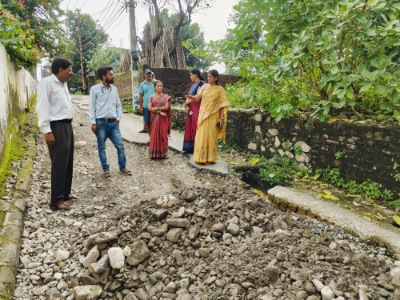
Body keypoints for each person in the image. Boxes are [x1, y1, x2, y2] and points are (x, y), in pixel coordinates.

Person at [36, 58, 75, 210]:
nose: (71, 73)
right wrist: (47, 131)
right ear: (60, 70)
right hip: (56, 127)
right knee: (59, 163)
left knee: (68, 161)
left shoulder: (63, 85)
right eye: (69, 70)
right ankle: (56, 200)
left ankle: (65, 192)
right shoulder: (47, 83)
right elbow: (42, 106)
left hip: (67, 125)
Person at [89, 66, 132, 177]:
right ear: (104, 77)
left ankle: (122, 167)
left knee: (120, 146)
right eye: (110, 74)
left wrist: (118, 117)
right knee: (102, 148)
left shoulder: (114, 89)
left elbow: (118, 105)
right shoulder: (95, 89)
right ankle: (106, 169)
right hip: (101, 123)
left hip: (113, 124)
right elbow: (92, 107)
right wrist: (93, 122)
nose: (113, 76)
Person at [185, 70, 230, 164]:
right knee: (201, 135)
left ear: (216, 78)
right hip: (203, 114)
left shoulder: (220, 89)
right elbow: (198, 98)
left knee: (211, 137)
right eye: (208, 76)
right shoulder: (204, 86)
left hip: (214, 115)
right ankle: (200, 157)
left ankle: (210, 158)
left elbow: (222, 105)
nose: (208, 78)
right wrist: (192, 98)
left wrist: (221, 118)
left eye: (211, 77)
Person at [182, 69, 205, 153]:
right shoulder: (193, 85)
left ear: (195, 75)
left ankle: (198, 149)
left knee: (196, 126)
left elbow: (197, 97)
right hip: (191, 109)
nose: (190, 77)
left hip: (197, 108)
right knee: (190, 126)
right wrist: (187, 105)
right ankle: (191, 148)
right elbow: (189, 96)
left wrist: (187, 102)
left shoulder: (202, 84)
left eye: (191, 75)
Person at [148, 81, 172, 159]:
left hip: (163, 119)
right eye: (158, 86)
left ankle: (164, 153)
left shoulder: (166, 97)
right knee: (154, 134)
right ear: (154, 87)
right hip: (154, 119)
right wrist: (159, 112)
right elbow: (149, 108)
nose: (160, 87)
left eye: (161, 86)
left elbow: (166, 107)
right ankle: (154, 154)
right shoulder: (151, 97)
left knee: (163, 135)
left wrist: (157, 109)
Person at [138, 69, 156, 133]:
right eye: (147, 74)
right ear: (145, 75)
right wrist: (140, 106)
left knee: (155, 119)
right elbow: (140, 96)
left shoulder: (155, 82)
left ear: (152, 74)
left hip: (155, 105)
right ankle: (148, 131)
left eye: (150, 73)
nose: (149, 75)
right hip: (145, 105)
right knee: (147, 120)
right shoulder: (142, 84)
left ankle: (152, 132)